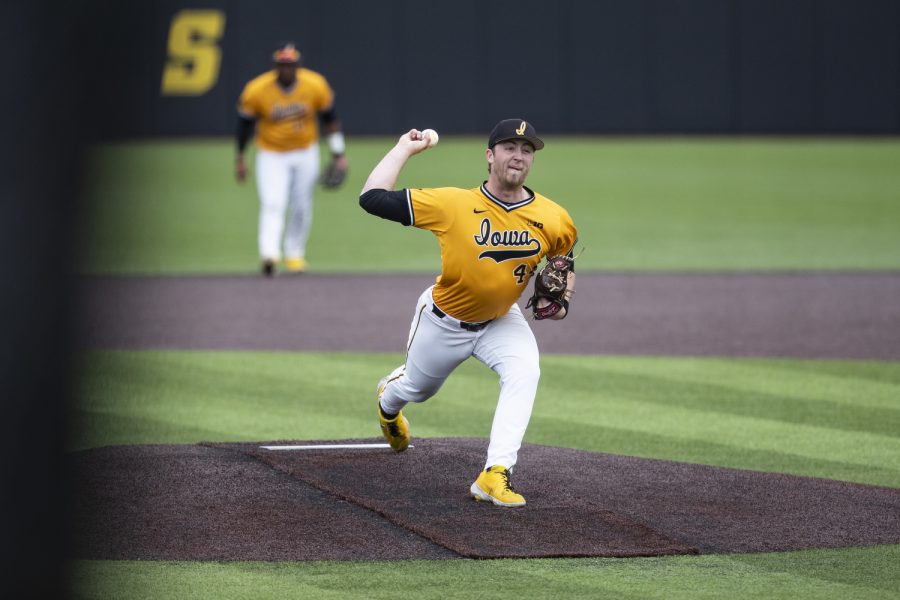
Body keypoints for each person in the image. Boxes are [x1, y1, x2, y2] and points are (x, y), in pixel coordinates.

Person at [359, 119, 578, 507]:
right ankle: (388, 405)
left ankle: (495, 474)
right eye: (510, 147)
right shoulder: (452, 204)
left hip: (501, 320)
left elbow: (564, 264)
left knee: (525, 371)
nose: (519, 155)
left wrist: (559, 303)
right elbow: (372, 198)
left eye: (527, 150)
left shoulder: (553, 217)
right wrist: (404, 149)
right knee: (416, 390)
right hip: (444, 321)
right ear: (490, 156)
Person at [235, 42, 348, 276]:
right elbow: (244, 125)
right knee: (272, 202)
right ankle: (269, 254)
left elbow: (330, 119)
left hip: (306, 151)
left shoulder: (315, 84)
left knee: (301, 205)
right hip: (271, 153)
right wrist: (240, 157)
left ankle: (295, 255)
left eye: (291, 64)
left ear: (298, 65)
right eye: (283, 64)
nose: (287, 68)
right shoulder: (257, 89)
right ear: (275, 65)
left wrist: (338, 154)